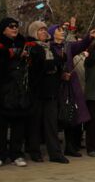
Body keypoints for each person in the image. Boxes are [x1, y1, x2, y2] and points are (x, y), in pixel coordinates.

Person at [48, 20, 95, 158]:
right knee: (60, 117)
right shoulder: (50, 48)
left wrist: (90, 37)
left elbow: (81, 45)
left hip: (71, 85)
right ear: (52, 34)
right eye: (59, 30)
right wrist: (60, 75)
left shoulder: (68, 46)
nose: (62, 32)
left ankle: (70, 147)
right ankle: (54, 149)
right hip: (58, 87)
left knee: (72, 115)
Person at [0, 17, 30, 168]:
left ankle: (17, 154)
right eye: (11, 26)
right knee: (0, 125)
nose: (15, 28)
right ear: (3, 29)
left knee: (18, 125)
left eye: (16, 26)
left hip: (20, 89)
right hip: (2, 90)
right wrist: (14, 54)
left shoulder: (24, 43)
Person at [25, 21, 68, 164]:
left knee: (51, 125)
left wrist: (60, 66)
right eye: (40, 30)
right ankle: (34, 151)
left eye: (44, 29)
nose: (44, 32)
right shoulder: (31, 47)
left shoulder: (50, 47)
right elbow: (38, 66)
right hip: (37, 92)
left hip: (51, 91)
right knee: (35, 124)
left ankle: (55, 153)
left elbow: (56, 63)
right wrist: (56, 62)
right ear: (34, 33)